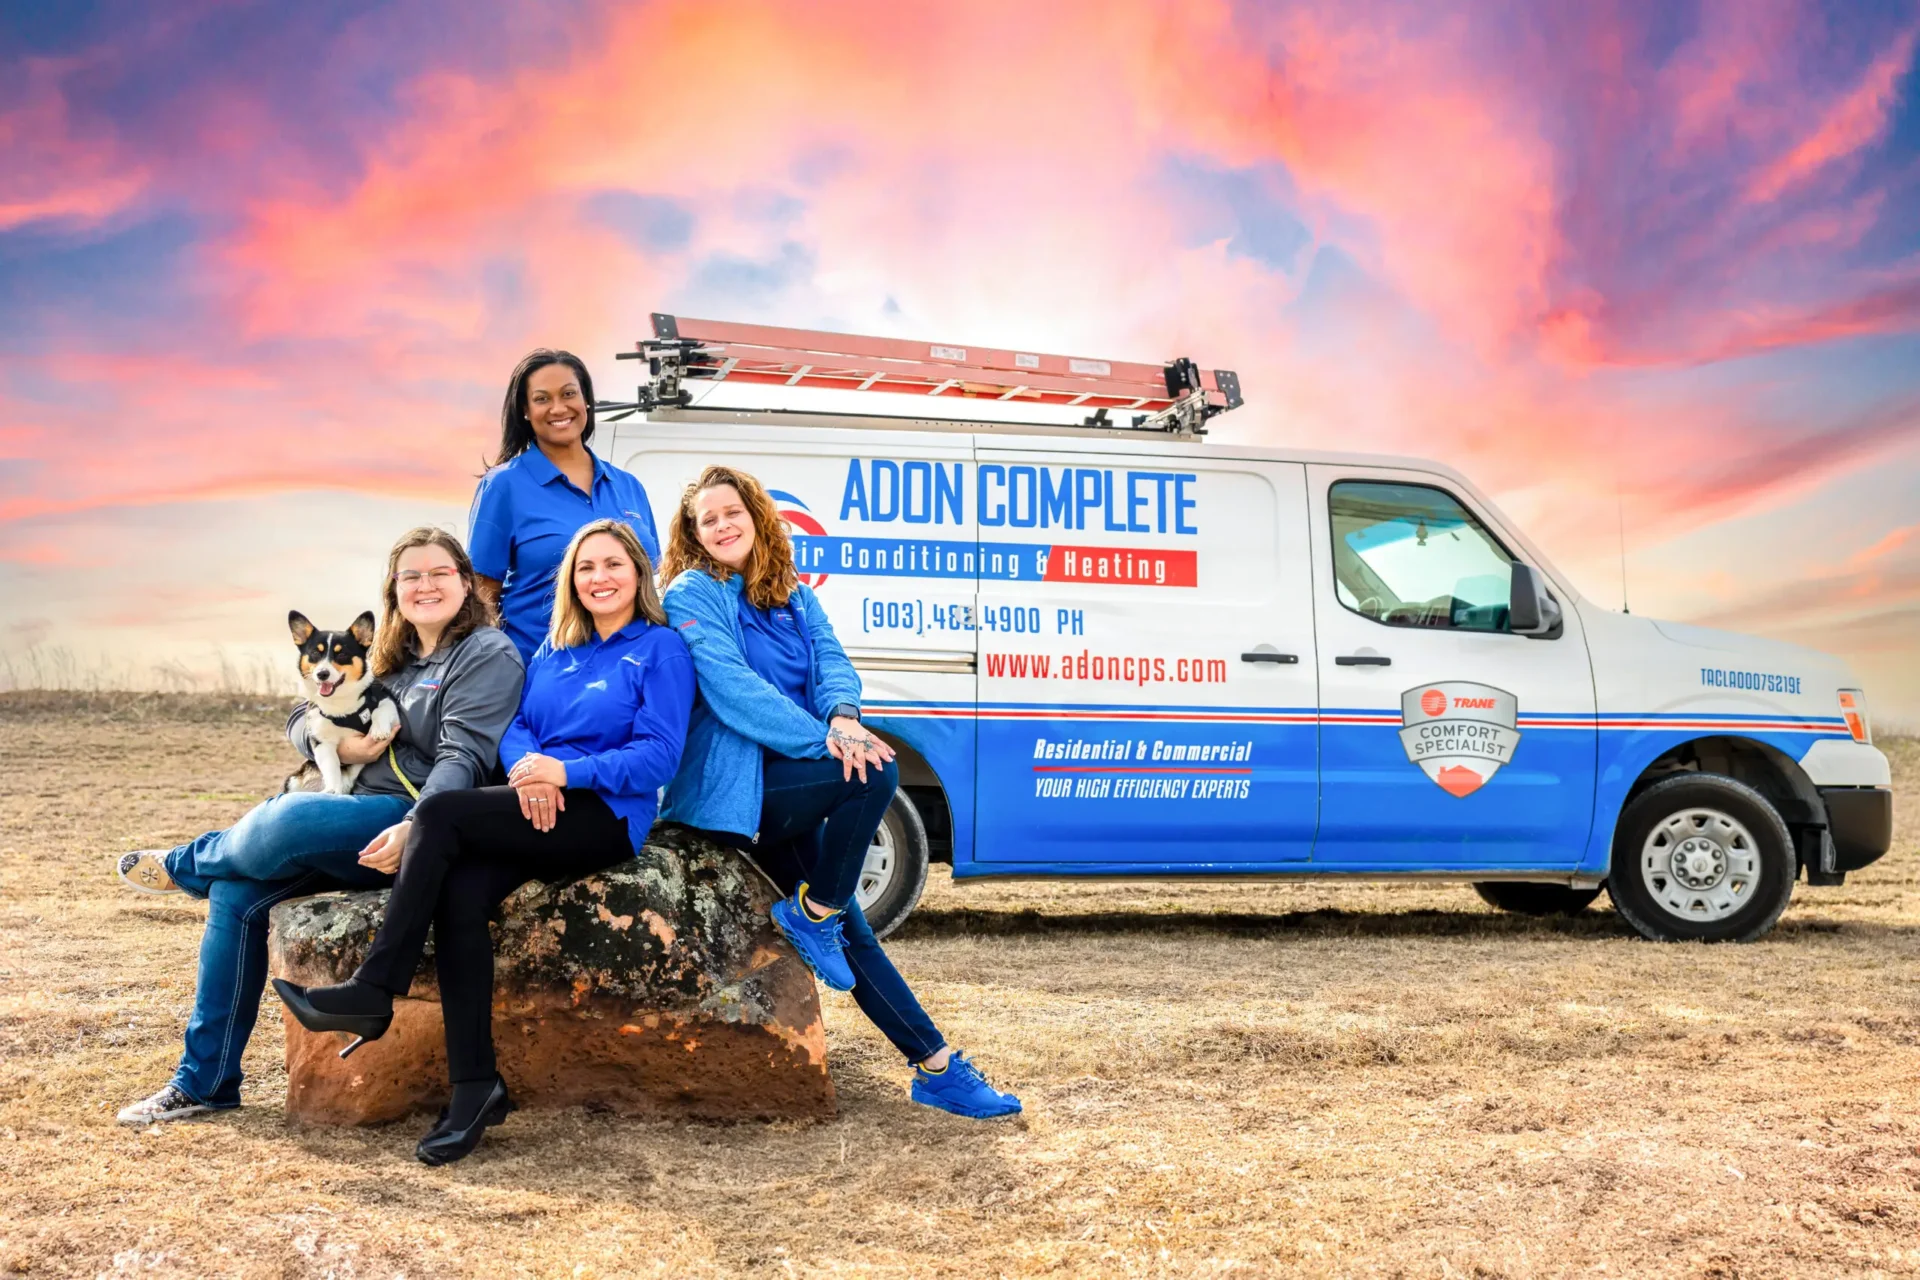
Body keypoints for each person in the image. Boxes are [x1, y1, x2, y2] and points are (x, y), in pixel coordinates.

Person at [275, 518, 695, 1165]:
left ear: (638, 573)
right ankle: (477, 1086)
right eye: (586, 567)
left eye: (613, 564)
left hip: (605, 815)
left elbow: (659, 756)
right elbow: (520, 727)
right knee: (459, 897)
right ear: (571, 580)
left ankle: (374, 989)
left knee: (440, 814)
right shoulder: (556, 649)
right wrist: (531, 770)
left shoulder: (660, 649)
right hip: (535, 802)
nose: (599, 578)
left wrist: (568, 772)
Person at [111, 528, 524, 1124]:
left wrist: (419, 825)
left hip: (417, 819)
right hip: (353, 809)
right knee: (238, 893)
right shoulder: (389, 656)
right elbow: (305, 713)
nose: (425, 585)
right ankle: (205, 1084)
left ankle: (186, 863)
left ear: (466, 581)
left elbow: (464, 758)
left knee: (290, 818)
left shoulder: (485, 654)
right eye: (411, 575)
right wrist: (339, 748)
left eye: (440, 573)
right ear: (394, 589)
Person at [657, 465, 1021, 1119]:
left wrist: (845, 717)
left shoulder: (791, 595)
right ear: (692, 533)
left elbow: (831, 661)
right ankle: (817, 915)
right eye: (706, 519)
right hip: (736, 790)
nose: (721, 525)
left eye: (730, 512)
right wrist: (826, 742)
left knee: (854, 933)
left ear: (756, 515)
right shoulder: (694, 593)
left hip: (793, 784)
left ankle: (936, 1067)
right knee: (876, 772)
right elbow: (731, 687)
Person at [468, 348, 661, 662]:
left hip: (630, 673)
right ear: (525, 411)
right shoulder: (503, 486)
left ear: (586, 400)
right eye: (542, 398)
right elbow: (481, 597)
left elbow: (654, 582)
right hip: (537, 676)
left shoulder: (629, 487)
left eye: (569, 393)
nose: (558, 408)